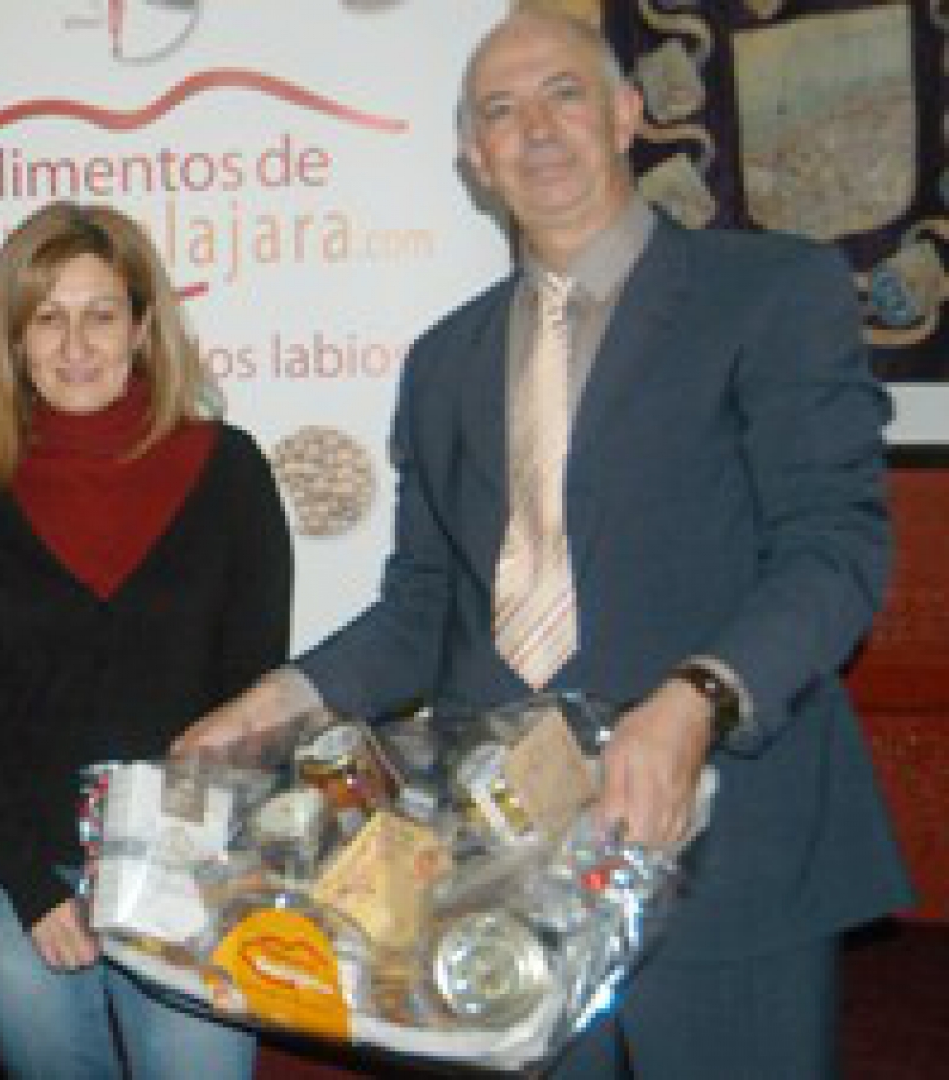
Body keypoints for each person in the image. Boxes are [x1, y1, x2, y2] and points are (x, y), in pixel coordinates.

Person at [176, 11, 910, 1078]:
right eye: (500, 110)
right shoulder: (443, 362)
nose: (535, 129)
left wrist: (697, 698)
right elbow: (424, 606)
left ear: (626, 113)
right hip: (505, 883)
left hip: (725, 856)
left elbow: (834, 548)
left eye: (564, 93)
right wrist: (275, 701)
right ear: (474, 157)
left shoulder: (769, 292)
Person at [0, 201, 292, 1079]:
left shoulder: (229, 472)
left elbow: (256, 702)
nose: (75, 344)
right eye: (48, 318)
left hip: (186, 877)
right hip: (14, 876)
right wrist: (31, 888)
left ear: (143, 327)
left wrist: (195, 876)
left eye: (101, 314)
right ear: (16, 341)